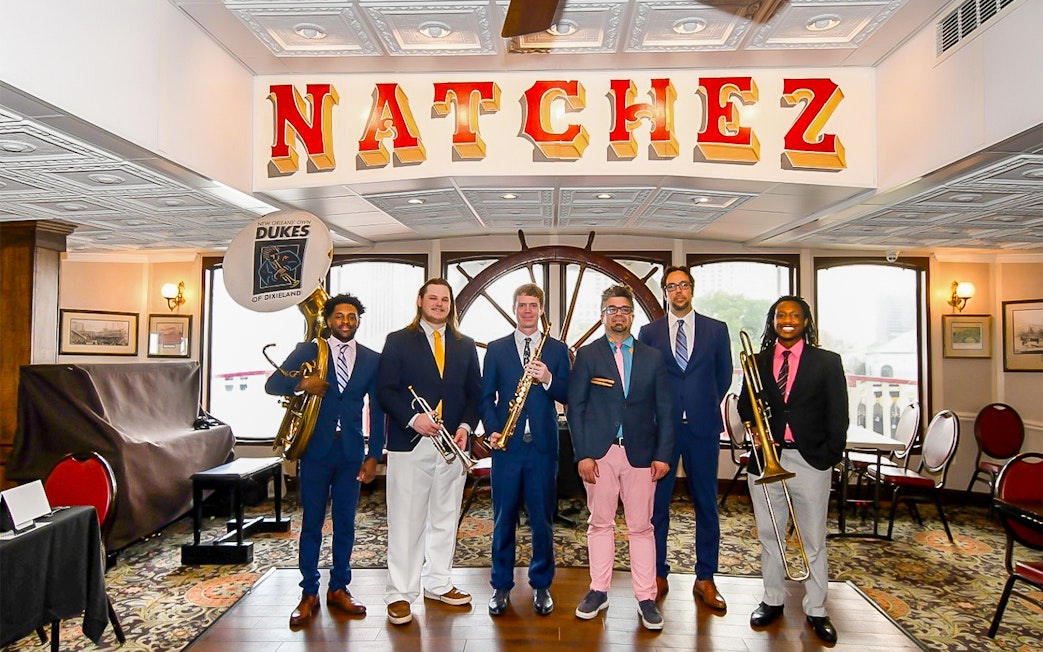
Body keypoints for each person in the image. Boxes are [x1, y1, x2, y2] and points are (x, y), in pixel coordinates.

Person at [265, 292, 386, 627]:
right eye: (339, 316)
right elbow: (273, 384)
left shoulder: (372, 359)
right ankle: (308, 592)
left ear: (358, 321)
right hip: (315, 452)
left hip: (350, 454)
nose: (345, 322)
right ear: (329, 319)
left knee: (346, 524)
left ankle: (339, 588)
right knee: (312, 525)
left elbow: (377, 410)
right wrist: (304, 382)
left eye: (351, 317)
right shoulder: (309, 350)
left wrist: (375, 455)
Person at [737, 296, 847, 644]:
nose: (787, 320)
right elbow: (744, 404)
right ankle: (772, 599)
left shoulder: (827, 362)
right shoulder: (756, 360)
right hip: (767, 459)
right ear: (772, 320)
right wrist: (753, 424)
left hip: (810, 460)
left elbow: (838, 414)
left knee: (813, 539)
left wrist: (828, 456)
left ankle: (817, 607)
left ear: (805, 321)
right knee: (770, 536)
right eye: (781, 315)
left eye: (794, 315)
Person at [567, 284, 674, 631]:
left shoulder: (653, 357)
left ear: (632, 315)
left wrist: (663, 454)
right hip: (600, 455)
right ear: (603, 315)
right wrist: (583, 454)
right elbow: (576, 408)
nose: (618, 314)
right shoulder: (587, 355)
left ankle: (646, 596)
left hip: (642, 456)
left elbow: (666, 411)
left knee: (642, 527)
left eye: (624, 309)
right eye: (612, 308)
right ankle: (599, 590)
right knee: (600, 524)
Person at [376, 278, 482, 625]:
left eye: (445, 299)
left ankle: (439, 583)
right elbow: (385, 391)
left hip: (451, 443)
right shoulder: (397, 341)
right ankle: (400, 594)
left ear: (451, 305)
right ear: (420, 301)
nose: (439, 304)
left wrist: (466, 427)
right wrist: (411, 418)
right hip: (411, 443)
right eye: (433, 298)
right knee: (406, 520)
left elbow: (474, 394)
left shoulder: (464, 345)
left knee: (445, 517)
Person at [637, 265, 732, 609]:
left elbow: (723, 379)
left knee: (706, 505)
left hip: (703, 430)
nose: (678, 291)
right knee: (656, 507)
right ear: (664, 292)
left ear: (692, 290)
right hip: (663, 432)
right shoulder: (649, 333)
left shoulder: (716, 330)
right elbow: (644, 382)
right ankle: (658, 573)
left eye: (684, 285)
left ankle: (705, 578)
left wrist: (698, 404)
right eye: (672, 286)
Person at [479, 283, 571, 617]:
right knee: (503, 519)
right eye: (522, 305)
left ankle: (542, 585)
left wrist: (548, 378)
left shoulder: (558, 350)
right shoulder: (497, 348)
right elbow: (485, 396)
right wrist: (493, 429)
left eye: (533, 305)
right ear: (514, 309)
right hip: (507, 448)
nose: (528, 311)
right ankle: (501, 587)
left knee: (542, 520)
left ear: (542, 309)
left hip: (543, 449)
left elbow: (569, 394)